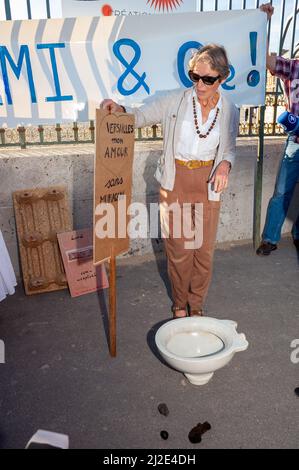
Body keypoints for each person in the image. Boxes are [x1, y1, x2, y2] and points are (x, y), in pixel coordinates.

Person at [101, 44, 239, 318]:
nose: (200, 85)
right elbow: (138, 117)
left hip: (208, 184)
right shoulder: (174, 101)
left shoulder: (230, 109)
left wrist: (225, 164)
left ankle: (196, 304)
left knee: (202, 251)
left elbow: (229, 148)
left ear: (222, 78)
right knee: (178, 249)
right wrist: (118, 109)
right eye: (195, 77)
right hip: (175, 182)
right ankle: (179, 303)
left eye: (208, 79)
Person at [257, 3, 299, 256]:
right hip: (295, 139)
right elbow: (265, 60)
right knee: (282, 191)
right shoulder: (293, 67)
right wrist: (263, 23)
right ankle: (270, 238)